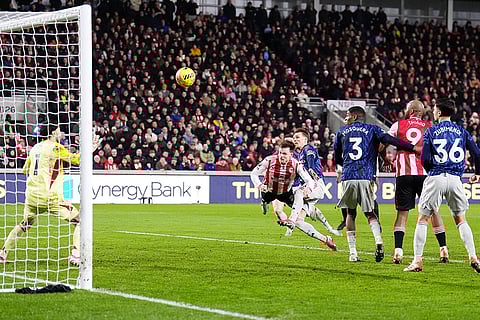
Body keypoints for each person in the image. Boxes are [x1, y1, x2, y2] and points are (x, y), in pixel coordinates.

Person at [0, 123, 101, 266]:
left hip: (32, 196)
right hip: (50, 197)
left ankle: (3, 253)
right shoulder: (55, 147)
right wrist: (90, 149)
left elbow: (25, 170)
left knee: (25, 224)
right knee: (80, 221)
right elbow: (77, 159)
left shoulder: (35, 148)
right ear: (54, 131)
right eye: (59, 129)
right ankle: (76, 254)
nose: (61, 132)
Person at [404, 99, 480, 272]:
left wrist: (433, 171)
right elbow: (477, 153)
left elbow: (424, 158)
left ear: (438, 112)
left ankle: (417, 261)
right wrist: (477, 173)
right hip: (455, 179)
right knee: (461, 219)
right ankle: (473, 256)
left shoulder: (431, 131)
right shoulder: (462, 131)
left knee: (423, 219)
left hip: (436, 176)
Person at [334, 106, 418, 262]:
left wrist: (346, 164)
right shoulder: (372, 129)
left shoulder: (341, 132)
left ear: (354, 116)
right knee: (370, 213)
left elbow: (337, 157)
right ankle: (378, 240)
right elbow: (389, 140)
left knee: (351, 213)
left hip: (348, 176)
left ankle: (353, 253)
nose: (345, 118)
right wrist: (411, 147)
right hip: (366, 176)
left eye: (347, 115)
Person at [387, 100, 449, 264]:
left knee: (402, 214)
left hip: (404, 174)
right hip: (425, 175)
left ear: (412, 110)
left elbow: (384, 140)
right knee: (434, 210)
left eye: (407, 109)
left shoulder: (398, 125)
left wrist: (384, 158)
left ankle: (398, 252)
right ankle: (443, 249)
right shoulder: (430, 126)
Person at [251, 141, 336, 250]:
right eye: (280, 153)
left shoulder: (296, 164)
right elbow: (254, 173)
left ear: (291, 154)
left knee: (299, 218)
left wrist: (308, 189)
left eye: (285, 154)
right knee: (271, 209)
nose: (281, 156)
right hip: (269, 191)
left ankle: (324, 238)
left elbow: (309, 180)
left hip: (285, 194)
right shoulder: (269, 160)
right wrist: (259, 185)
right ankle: (264, 203)